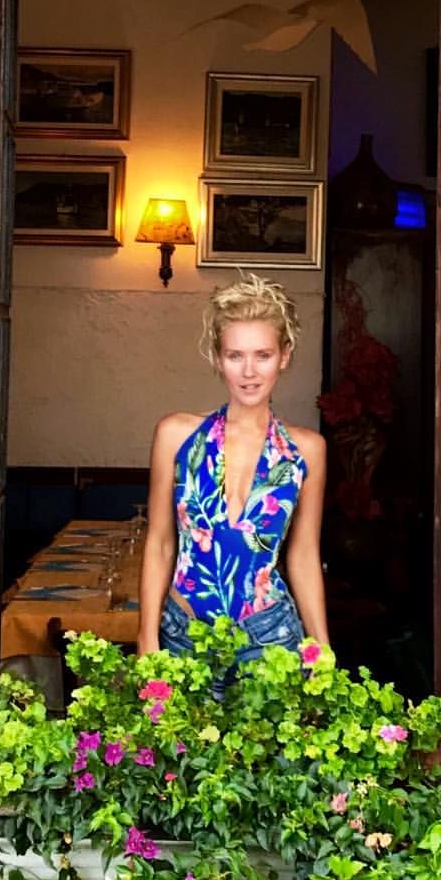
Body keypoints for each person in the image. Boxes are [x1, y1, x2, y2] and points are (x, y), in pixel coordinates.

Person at [136, 272, 329, 679]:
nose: (249, 371)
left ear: (284, 356)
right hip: (183, 634)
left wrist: (322, 648)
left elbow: (302, 554)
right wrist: (146, 637)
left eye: (263, 355)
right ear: (217, 358)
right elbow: (160, 543)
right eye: (235, 355)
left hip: (270, 638)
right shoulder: (176, 436)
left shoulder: (306, 451)